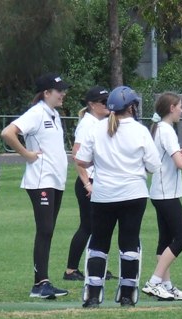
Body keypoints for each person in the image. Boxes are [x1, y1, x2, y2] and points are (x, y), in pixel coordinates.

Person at [75, 86, 161, 308]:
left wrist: (101, 161)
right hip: (133, 194)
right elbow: (153, 165)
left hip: (103, 195)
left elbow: (82, 160)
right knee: (129, 243)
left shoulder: (97, 128)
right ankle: (127, 294)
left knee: (99, 243)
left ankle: (92, 295)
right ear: (131, 107)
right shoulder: (140, 131)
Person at [1, 72, 70, 299]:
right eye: (58, 91)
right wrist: (27, 154)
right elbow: (8, 133)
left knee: (48, 231)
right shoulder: (37, 113)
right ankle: (40, 283)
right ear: (46, 93)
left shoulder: (53, 114)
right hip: (41, 179)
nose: (63, 94)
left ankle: (43, 281)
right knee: (45, 229)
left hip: (55, 181)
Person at [141, 92, 182, 301]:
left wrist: (177, 155)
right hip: (166, 193)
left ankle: (166, 285)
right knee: (181, 239)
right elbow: (180, 164)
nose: (181, 110)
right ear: (171, 108)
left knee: (165, 241)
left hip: (160, 193)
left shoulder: (160, 129)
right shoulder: (167, 130)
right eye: (179, 106)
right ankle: (154, 282)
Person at [63, 86, 110, 281]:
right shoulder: (87, 124)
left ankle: (96, 267)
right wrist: (86, 183)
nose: (107, 105)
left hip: (97, 180)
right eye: (103, 102)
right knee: (88, 226)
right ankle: (71, 270)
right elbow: (77, 155)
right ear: (91, 105)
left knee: (99, 227)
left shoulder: (102, 122)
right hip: (88, 181)